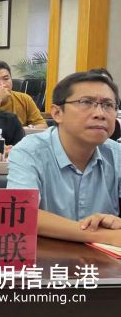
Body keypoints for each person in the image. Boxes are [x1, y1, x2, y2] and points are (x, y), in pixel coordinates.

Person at [7, 71, 121, 245]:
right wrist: (101, 235)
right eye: (86, 102)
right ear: (57, 113)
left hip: (103, 259)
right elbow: (22, 213)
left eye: (108, 105)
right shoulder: (29, 151)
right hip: (46, 257)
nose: (100, 113)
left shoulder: (116, 153)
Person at [0, 60, 47, 129]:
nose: (2, 84)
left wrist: (20, 130)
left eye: (6, 79)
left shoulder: (24, 99)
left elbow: (42, 126)